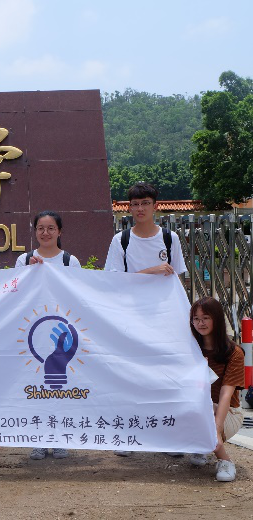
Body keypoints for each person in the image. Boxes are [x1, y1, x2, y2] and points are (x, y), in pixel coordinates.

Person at [104, 182, 187, 457]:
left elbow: (177, 280)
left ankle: (168, 437)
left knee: (165, 376)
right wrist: (151, 270)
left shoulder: (170, 238)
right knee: (130, 376)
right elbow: (114, 281)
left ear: (155, 206)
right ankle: (128, 436)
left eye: (145, 203)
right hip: (132, 317)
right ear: (129, 208)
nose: (140, 209)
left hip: (164, 318)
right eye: (135, 204)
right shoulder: (121, 240)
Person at [15, 210, 80, 460]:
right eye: (41, 228)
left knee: (62, 387)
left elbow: (78, 295)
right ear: (35, 232)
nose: (45, 233)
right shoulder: (25, 259)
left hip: (62, 330)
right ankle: (39, 439)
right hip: (33, 330)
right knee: (36, 386)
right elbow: (17, 294)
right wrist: (29, 274)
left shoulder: (70, 261)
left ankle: (61, 437)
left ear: (59, 231)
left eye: (51, 228)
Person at [189, 297, 245, 482]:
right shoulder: (190, 349)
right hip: (198, 406)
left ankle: (225, 460)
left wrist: (217, 430)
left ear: (217, 319)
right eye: (196, 319)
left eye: (206, 318)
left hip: (227, 412)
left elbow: (226, 395)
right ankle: (200, 445)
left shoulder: (233, 352)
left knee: (203, 409)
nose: (200, 323)